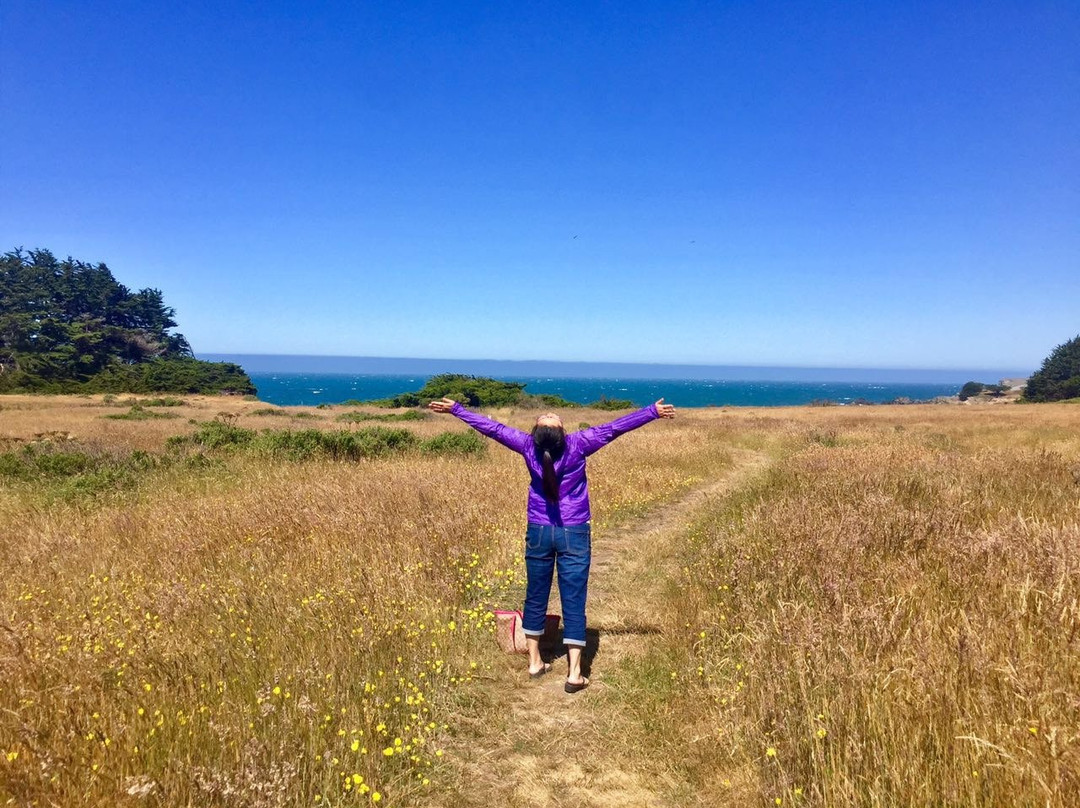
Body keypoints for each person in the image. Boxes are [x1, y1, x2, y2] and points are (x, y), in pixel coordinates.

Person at [428, 396, 676, 693]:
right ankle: (574, 674)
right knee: (574, 599)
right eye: (550, 418)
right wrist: (651, 412)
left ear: (535, 434)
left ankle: (535, 663)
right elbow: (614, 428)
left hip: (539, 531)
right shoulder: (579, 443)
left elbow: (492, 430)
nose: (548, 414)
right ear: (562, 433)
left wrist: (457, 410)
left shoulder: (525, 445)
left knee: (535, 595)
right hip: (574, 532)